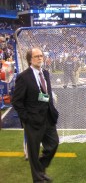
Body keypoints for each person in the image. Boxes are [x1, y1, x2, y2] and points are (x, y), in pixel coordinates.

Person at [12, 47, 59, 183]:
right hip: (32, 120)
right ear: (29, 60)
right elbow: (16, 101)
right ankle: (38, 179)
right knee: (33, 151)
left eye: (41, 56)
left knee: (53, 144)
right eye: (36, 56)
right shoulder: (23, 77)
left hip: (48, 117)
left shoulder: (45, 73)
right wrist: (26, 118)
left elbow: (47, 95)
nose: (39, 58)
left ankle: (40, 167)